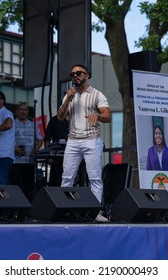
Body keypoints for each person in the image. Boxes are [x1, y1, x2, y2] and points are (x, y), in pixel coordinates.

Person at [57, 64, 111, 222]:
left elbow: (107, 116)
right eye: (72, 74)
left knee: (94, 177)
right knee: (67, 177)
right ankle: (64, 209)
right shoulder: (69, 95)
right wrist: (67, 100)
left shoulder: (96, 94)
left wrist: (98, 116)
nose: (75, 76)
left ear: (87, 75)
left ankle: (94, 212)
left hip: (91, 140)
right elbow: (60, 117)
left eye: (79, 73)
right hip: (73, 140)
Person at [9, 102, 43, 201]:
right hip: (15, 161)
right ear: (16, 112)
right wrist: (14, 148)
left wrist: (36, 148)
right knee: (15, 185)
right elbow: (6, 140)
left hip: (30, 160)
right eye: (21, 109)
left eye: (25, 110)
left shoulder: (33, 124)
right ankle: (14, 207)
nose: (23, 112)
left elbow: (40, 139)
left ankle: (27, 209)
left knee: (28, 186)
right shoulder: (12, 124)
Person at [0, 90, 15, 185]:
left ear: (2, 101)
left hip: (4, 154)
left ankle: (7, 199)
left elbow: (8, 125)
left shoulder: (7, 112)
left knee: (2, 180)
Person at [44, 115, 69, 186]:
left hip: (71, 155)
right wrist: (49, 155)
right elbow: (47, 139)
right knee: (55, 179)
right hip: (56, 155)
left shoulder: (74, 120)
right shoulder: (54, 120)